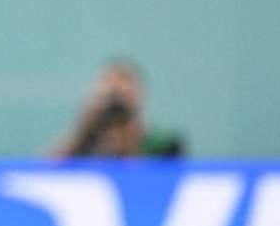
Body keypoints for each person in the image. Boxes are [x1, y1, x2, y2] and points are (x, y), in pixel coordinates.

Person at [53, 59, 185, 158]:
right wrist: (86, 124)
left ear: (141, 94)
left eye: (124, 83)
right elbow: (46, 173)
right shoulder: (84, 145)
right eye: (108, 83)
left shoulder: (164, 145)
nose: (116, 92)